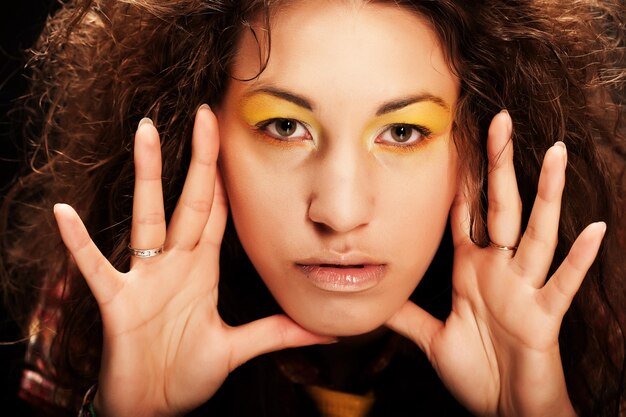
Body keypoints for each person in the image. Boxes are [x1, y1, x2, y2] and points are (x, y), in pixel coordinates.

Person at [1, 0, 624, 416]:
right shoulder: (104, 303)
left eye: (403, 132)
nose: (341, 211)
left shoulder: (585, 315)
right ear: (198, 131)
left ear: (477, 139)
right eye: (283, 125)